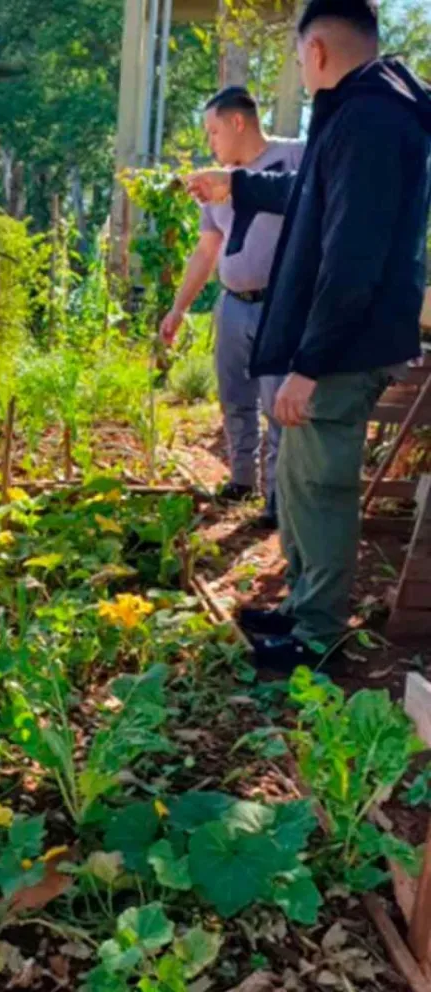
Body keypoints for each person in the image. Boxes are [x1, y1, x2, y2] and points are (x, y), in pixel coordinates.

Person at [187, 0, 431, 672]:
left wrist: (310, 364)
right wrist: (238, 185)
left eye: (298, 56)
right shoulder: (359, 112)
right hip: (331, 346)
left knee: (321, 489)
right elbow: (311, 195)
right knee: (297, 480)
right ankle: (302, 608)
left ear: (316, 50)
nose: (301, 66)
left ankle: (318, 637)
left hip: (341, 351)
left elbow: (352, 257)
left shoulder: (371, 119)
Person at [160, 87, 304, 530]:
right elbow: (207, 250)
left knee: (276, 405)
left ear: (238, 122)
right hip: (233, 305)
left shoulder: (295, 157)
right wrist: (178, 308)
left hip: (280, 306)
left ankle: (277, 499)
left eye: (213, 131)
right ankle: (242, 480)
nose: (210, 143)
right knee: (234, 398)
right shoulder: (218, 181)